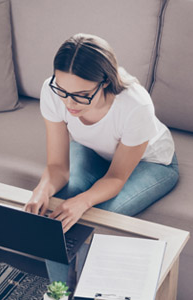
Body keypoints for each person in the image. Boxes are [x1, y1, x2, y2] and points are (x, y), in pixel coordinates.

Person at [24, 33, 179, 283]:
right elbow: (56, 167)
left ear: (105, 82)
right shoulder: (53, 92)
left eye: (81, 95)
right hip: (94, 150)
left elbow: (116, 177)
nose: (69, 103)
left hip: (151, 163)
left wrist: (83, 201)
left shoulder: (135, 106)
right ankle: (58, 294)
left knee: (89, 220)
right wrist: (41, 190)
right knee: (54, 218)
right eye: (62, 91)